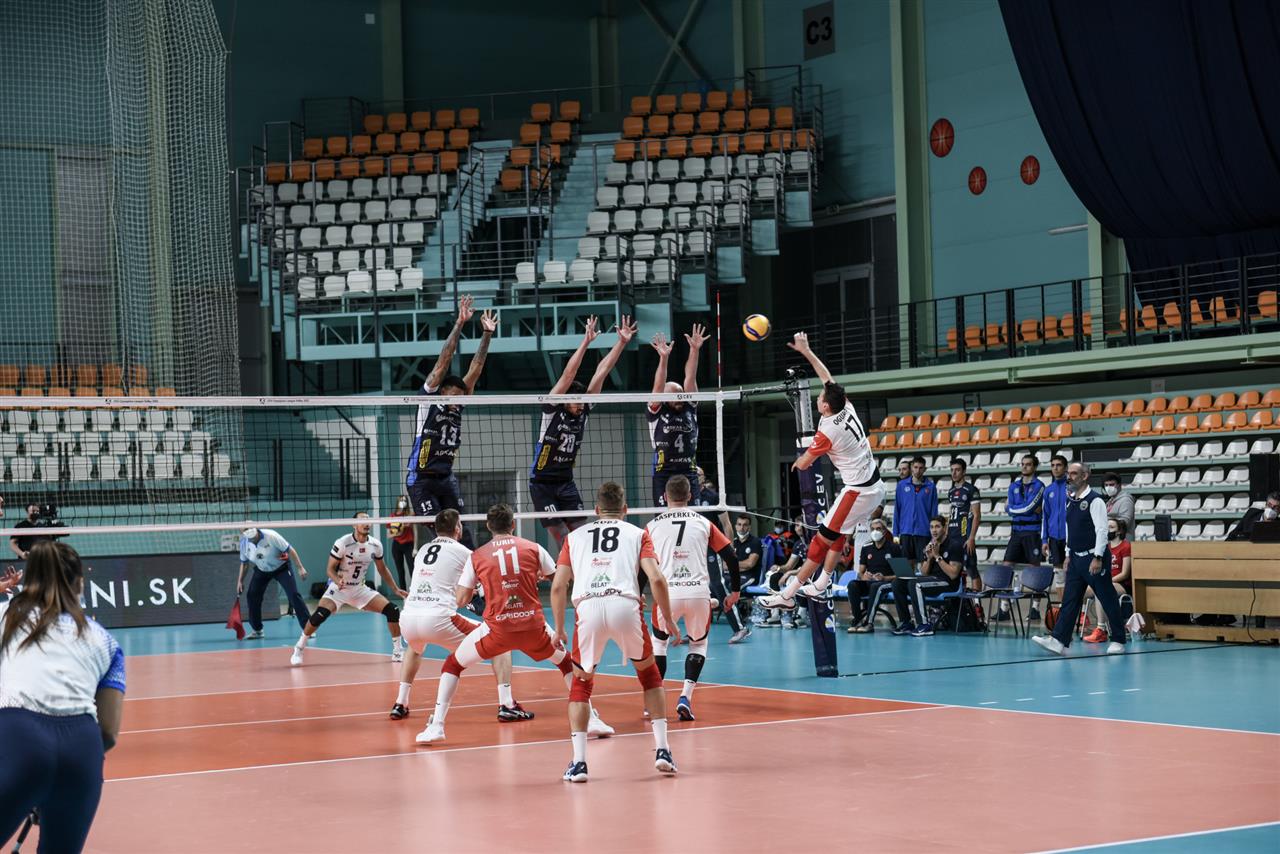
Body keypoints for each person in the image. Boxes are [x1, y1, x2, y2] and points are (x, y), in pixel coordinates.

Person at [416, 503, 614, 748]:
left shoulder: (477, 556)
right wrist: (536, 575)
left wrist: (477, 586)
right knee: (566, 663)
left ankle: (436, 726)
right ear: (513, 524)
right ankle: (591, 719)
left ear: (488, 526)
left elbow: (461, 600)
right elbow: (560, 581)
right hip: (533, 628)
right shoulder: (533, 548)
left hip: (497, 631)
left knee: (452, 665)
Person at [0, 541, 125, 853]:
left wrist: (27, 773)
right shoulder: (105, 641)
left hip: (19, 737)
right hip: (83, 752)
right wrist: (52, 783)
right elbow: (108, 732)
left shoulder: (5, 616)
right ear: (80, 584)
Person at [551, 482, 680, 782]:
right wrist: (668, 618)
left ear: (596, 510)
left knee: (581, 682)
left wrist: (558, 628)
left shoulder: (574, 537)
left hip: (589, 608)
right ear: (625, 509)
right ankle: (663, 750)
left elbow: (558, 586)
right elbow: (657, 579)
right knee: (649, 675)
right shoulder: (638, 534)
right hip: (625, 605)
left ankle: (579, 764)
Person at [757, 331, 886, 610]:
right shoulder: (845, 405)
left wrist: (799, 460)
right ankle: (822, 582)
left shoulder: (828, 430)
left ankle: (787, 596)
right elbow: (827, 377)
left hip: (858, 491)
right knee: (838, 534)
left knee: (820, 540)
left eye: (820, 397)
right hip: (873, 486)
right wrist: (806, 351)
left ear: (825, 405)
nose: (818, 397)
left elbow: (805, 463)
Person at [389, 509, 531, 722]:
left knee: (415, 648)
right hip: (439, 619)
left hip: (408, 618)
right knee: (500, 641)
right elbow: (486, 581)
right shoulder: (465, 552)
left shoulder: (423, 550)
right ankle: (507, 704)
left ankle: (400, 703)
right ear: (458, 528)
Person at [530, 314, 636, 549]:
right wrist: (586, 342)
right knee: (561, 535)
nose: (579, 406)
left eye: (581, 402)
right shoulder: (552, 409)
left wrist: (621, 343)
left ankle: (583, 567)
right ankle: (569, 569)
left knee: (581, 533)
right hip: (542, 483)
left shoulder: (584, 411)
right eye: (575, 401)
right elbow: (568, 375)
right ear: (565, 399)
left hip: (566, 481)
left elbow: (602, 371)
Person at [405, 294, 497, 549]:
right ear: (443, 391)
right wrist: (460, 323)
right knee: (442, 533)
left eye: (461, 395)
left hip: (446, 478)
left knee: (463, 533)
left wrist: (486, 334)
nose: (459, 399)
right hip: (420, 478)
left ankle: (471, 572)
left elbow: (476, 369)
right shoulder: (429, 400)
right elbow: (443, 361)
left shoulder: (459, 405)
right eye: (454, 395)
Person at [646, 475, 740, 721]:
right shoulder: (703, 523)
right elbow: (731, 556)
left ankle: (653, 702)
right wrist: (735, 591)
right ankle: (685, 697)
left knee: (659, 643)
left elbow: (641, 565)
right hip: (698, 593)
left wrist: (637, 593)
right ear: (690, 496)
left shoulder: (652, 526)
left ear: (665, 497)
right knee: (698, 644)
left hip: (667, 594)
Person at [1033, 462, 1127, 656]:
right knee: (1070, 600)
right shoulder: (1070, 499)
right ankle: (1059, 641)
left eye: (1074, 473)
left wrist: (1098, 557)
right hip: (1076, 558)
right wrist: (1068, 553)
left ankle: (1118, 639)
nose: (1069, 476)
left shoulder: (1095, 500)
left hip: (1093, 558)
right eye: (1068, 473)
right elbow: (1070, 529)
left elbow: (1101, 530)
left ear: (1085, 476)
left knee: (1107, 598)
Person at [291, 513, 408, 666]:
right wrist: (337, 580)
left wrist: (395, 588)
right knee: (319, 615)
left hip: (359, 589)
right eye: (362, 521)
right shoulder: (343, 543)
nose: (366, 523)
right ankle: (299, 647)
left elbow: (382, 569)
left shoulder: (376, 545)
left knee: (392, 610)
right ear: (354, 524)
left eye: (368, 520)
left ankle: (398, 650)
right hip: (339, 589)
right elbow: (329, 570)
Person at [647, 323, 709, 506]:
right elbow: (658, 386)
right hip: (663, 472)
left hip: (688, 470)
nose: (680, 397)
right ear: (665, 398)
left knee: (693, 514)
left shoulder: (689, 407)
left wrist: (694, 350)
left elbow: (690, 377)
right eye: (675, 395)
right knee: (664, 515)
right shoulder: (656, 410)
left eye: (681, 394)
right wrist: (663, 358)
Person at [694, 468, 749, 643]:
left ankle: (740, 628)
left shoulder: (712, 497)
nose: (695, 477)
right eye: (692, 474)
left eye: (698, 474)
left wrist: (729, 551)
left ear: (703, 477)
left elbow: (726, 524)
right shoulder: (686, 497)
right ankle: (695, 631)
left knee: (718, 585)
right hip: (694, 549)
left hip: (711, 547)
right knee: (695, 588)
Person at [889, 516, 963, 637]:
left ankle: (924, 625)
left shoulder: (954, 545)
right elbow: (924, 573)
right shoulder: (930, 545)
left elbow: (953, 574)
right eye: (931, 527)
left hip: (948, 583)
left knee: (915, 584)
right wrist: (929, 558)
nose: (934, 530)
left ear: (944, 528)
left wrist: (937, 556)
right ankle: (906, 623)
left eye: (937, 527)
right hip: (932, 580)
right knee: (898, 583)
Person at [237, 527, 310, 639]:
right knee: (252, 596)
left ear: (256, 529)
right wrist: (240, 581)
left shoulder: (271, 536)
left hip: (281, 568)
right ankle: (257, 630)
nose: (253, 539)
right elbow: (244, 563)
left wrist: (300, 567)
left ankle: (308, 629)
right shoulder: (244, 543)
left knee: (294, 595)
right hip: (262, 570)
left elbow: (290, 550)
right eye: (249, 537)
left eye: (254, 537)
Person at [847, 517, 901, 633]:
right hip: (870, 582)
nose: (875, 531)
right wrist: (864, 576)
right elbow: (861, 572)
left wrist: (885, 578)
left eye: (878, 529)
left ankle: (869, 623)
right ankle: (857, 620)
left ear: (884, 531)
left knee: (875, 586)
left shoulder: (894, 548)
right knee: (852, 585)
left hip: (888, 583)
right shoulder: (866, 548)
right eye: (873, 529)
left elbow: (901, 574)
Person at [1084, 518, 1132, 644]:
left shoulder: (1125, 546)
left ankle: (1101, 629)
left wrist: (1107, 581)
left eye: (1111, 527)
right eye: (1107, 527)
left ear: (1118, 531)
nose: (1108, 530)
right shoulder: (1105, 547)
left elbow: (1125, 573)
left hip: (1121, 584)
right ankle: (1082, 619)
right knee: (1081, 590)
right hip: (1107, 580)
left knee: (1101, 588)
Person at [943, 457, 981, 590]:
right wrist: (946, 533)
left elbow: (977, 515)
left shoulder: (971, 490)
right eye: (952, 470)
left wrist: (971, 537)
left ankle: (977, 601)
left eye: (957, 470)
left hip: (965, 537)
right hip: (952, 537)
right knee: (953, 570)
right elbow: (951, 512)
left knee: (971, 569)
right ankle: (958, 599)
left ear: (964, 472)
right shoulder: (951, 491)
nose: (954, 473)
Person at [893, 457, 936, 568]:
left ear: (925, 469)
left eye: (921, 468)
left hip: (923, 533)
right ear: (911, 468)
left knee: (925, 567)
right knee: (907, 568)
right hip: (906, 532)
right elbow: (897, 510)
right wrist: (895, 533)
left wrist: (934, 535)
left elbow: (934, 512)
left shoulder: (931, 487)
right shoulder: (901, 485)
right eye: (915, 467)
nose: (918, 470)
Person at [728, 515, 760, 643]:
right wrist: (737, 566)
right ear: (735, 526)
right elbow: (724, 564)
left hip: (749, 577)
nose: (742, 528)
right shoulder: (733, 543)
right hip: (733, 575)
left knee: (730, 588)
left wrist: (732, 565)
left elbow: (750, 564)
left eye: (745, 525)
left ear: (749, 527)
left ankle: (740, 626)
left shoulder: (755, 542)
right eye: (739, 524)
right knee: (714, 586)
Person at [1042, 454, 1070, 570]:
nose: (1055, 468)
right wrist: (1044, 540)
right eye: (1053, 465)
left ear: (1065, 468)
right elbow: (1045, 516)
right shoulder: (1048, 490)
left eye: (1059, 465)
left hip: (1069, 537)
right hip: (1054, 538)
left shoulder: (1072, 488)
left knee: (1070, 569)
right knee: (1058, 572)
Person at [386, 494, 417, 591]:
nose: (402, 502)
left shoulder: (410, 515)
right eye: (401, 500)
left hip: (409, 545)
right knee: (400, 571)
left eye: (404, 500)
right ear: (397, 502)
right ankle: (403, 594)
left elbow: (415, 531)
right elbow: (388, 535)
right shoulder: (392, 516)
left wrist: (415, 547)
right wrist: (399, 531)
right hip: (397, 545)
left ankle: (415, 592)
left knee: (412, 569)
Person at [1103, 472, 1135, 538]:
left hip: (1123, 540)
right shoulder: (1110, 501)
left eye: (1112, 484)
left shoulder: (1126, 500)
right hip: (1111, 539)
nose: (1108, 487)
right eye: (1106, 485)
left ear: (1119, 485)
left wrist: (1105, 523)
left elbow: (1124, 523)